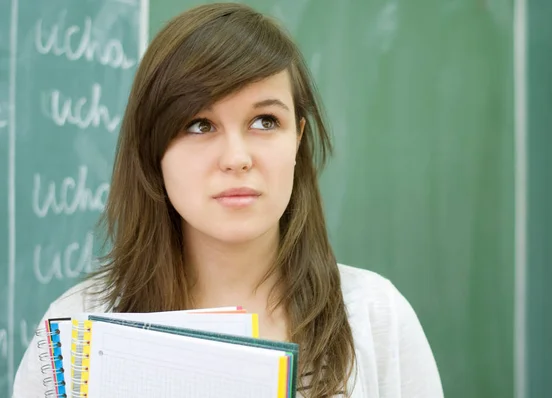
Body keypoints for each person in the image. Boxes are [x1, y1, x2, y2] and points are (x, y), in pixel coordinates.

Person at [12, 3, 443, 397]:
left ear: (298, 139)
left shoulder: (375, 318)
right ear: (153, 149)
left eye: (264, 120)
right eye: (200, 125)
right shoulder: (75, 334)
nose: (237, 158)